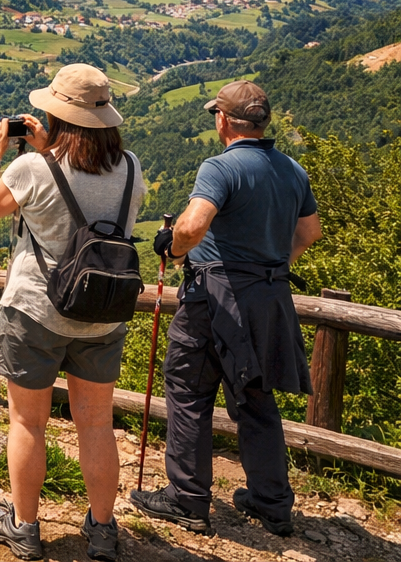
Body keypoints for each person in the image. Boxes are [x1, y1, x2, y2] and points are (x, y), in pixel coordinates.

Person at [131, 81, 321, 537]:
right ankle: (271, 503)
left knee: (189, 388)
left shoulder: (220, 167)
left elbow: (193, 225)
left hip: (215, 297)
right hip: (270, 297)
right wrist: (271, 268)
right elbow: (309, 232)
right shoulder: (292, 170)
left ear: (223, 119)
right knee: (257, 397)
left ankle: (187, 499)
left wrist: (173, 246)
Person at [0, 63, 141, 562]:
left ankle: (24, 528)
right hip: (102, 312)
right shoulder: (130, 166)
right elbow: (86, 202)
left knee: (28, 423)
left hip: (36, 310)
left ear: (57, 114)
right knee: (96, 423)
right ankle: (103, 529)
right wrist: (49, 153)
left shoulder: (32, 169)